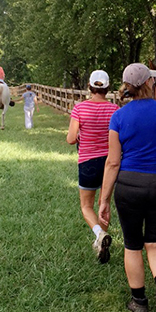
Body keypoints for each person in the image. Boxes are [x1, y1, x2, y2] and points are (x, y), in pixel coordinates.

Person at [98, 63, 156, 312]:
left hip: (129, 187)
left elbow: (113, 162)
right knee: (155, 242)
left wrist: (103, 200)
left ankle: (139, 302)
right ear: (149, 83)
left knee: (132, 245)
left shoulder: (119, 116)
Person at [66, 70, 119, 263]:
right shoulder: (114, 109)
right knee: (103, 204)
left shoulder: (80, 109)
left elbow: (71, 139)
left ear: (89, 86)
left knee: (86, 206)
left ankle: (99, 234)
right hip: (109, 163)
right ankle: (101, 239)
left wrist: (80, 135)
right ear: (107, 88)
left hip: (87, 162)